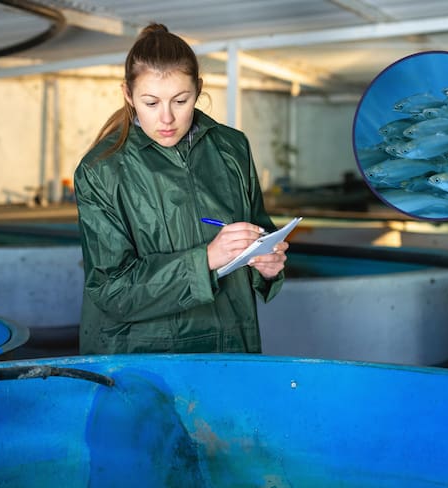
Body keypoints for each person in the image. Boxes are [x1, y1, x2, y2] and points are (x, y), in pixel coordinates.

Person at [74, 22, 289, 355]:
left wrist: (267, 262)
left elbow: (259, 228)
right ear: (128, 94)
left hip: (231, 344)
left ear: (199, 90)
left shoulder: (232, 148)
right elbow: (111, 289)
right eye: (150, 103)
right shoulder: (101, 170)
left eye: (180, 100)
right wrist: (206, 258)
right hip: (145, 356)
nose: (166, 118)